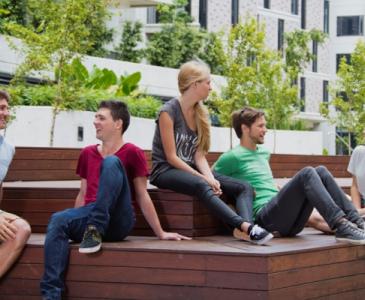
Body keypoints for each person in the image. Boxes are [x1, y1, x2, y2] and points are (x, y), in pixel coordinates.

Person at [40, 100, 189, 299]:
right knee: (58, 219)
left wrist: (160, 232)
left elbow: (142, 194)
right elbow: (83, 194)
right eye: (95, 117)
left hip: (118, 218)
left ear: (118, 124)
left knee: (111, 162)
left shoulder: (133, 152)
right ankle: (51, 295)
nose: (95, 122)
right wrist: (74, 219)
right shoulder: (87, 153)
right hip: (92, 214)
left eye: (101, 118)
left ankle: (95, 229)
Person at [150, 61, 273, 245]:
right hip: (165, 171)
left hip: (191, 169)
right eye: (207, 82)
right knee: (202, 184)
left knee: (244, 186)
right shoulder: (168, 112)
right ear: (195, 84)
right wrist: (204, 178)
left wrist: (210, 177)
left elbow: (198, 155)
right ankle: (245, 227)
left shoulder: (201, 113)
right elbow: (172, 157)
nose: (210, 88)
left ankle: (246, 230)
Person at [213, 107, 365, 244]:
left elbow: (262, 180)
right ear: (245, 129)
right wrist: (235, 196)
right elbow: (210, 176)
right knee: (307, 173)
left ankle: (357, 222)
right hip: (265, 219)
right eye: (260, 126)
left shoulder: (264, 153)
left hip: (287, 220)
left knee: (321, 171)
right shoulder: (232, 156)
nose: (265, 129)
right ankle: (341, 225)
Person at [0, 90, 31, 278]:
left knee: (21, 229)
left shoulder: (8, 149)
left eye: (6, 108)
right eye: (0, 108)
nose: (5, 113)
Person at [307, 143, 365, 233]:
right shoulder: (360, 152)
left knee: (313, 218)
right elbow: (355, 186)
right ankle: (356, 225)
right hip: (360, 208)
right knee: (311, 214)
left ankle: (353, 228)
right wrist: (356, 210)